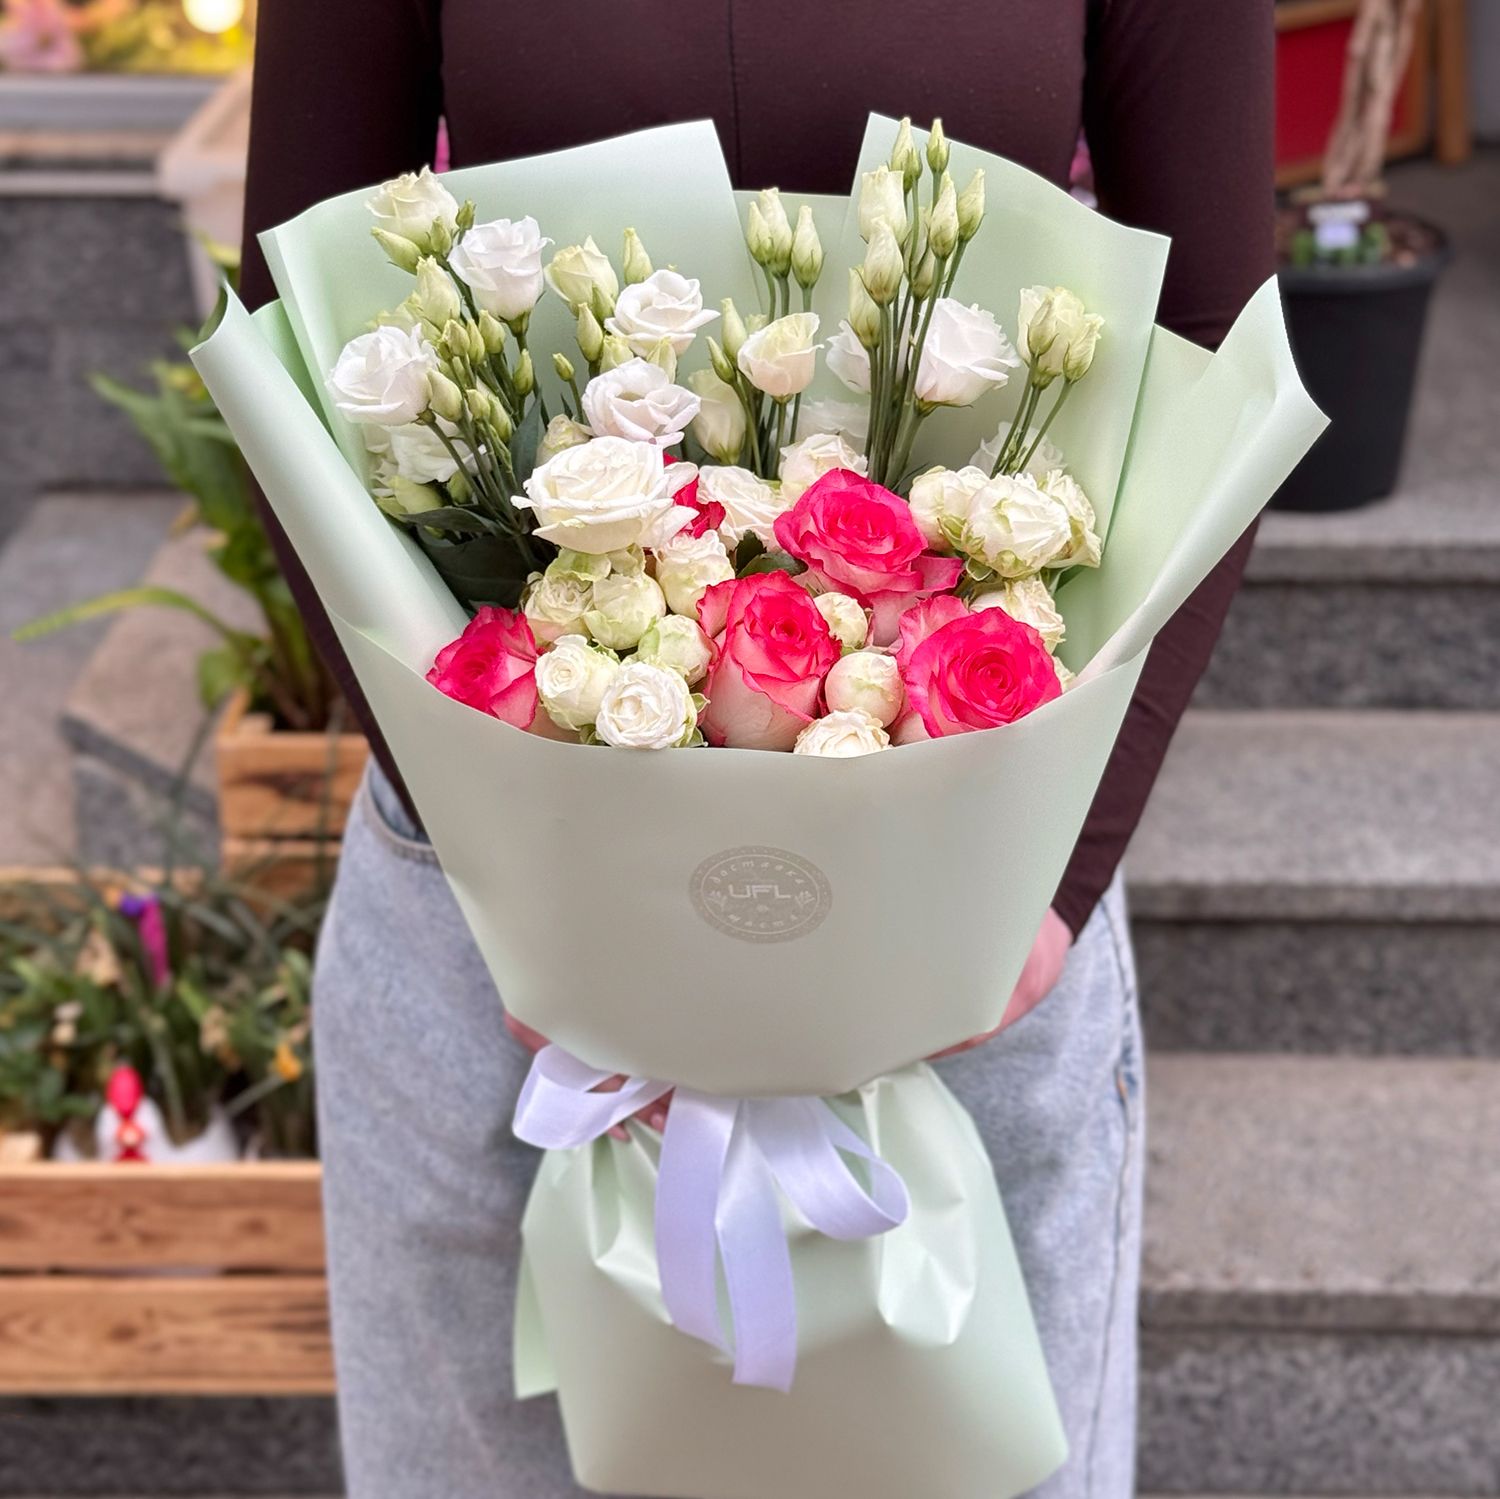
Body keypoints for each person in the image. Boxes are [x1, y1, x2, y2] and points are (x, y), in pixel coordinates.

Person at [241, 4, 1273, 1495]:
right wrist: (527, 896)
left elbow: (1225, 343)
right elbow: (293, 336)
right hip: (504, 951)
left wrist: (1048, 895)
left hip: (972, 932)